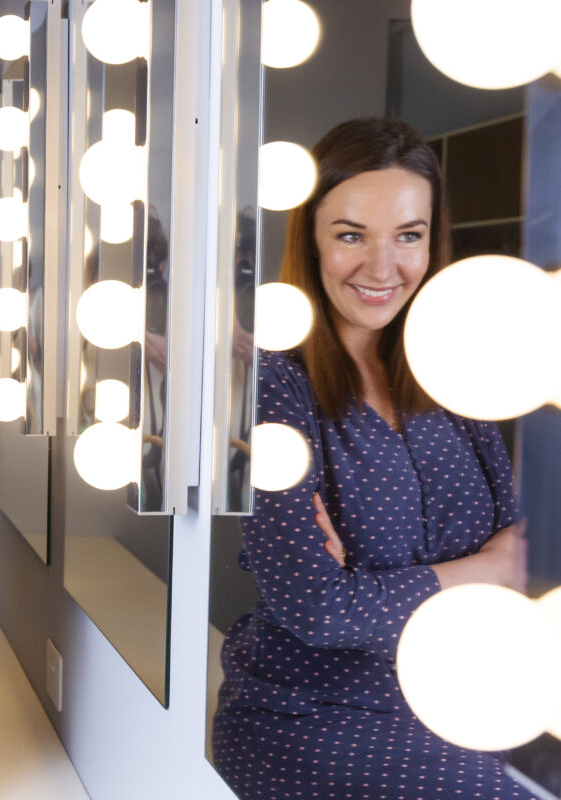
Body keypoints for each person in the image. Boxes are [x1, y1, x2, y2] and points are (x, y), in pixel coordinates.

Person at [212, 117, 531, 799]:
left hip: (469, 704)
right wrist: (485, 567)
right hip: (317, 720)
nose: (383, 269)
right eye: (352, 235)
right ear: (312, 240)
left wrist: (381, 591)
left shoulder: (457, 382)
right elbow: (318, 610)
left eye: (408, 236)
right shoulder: (275, 388)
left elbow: (523, 559)